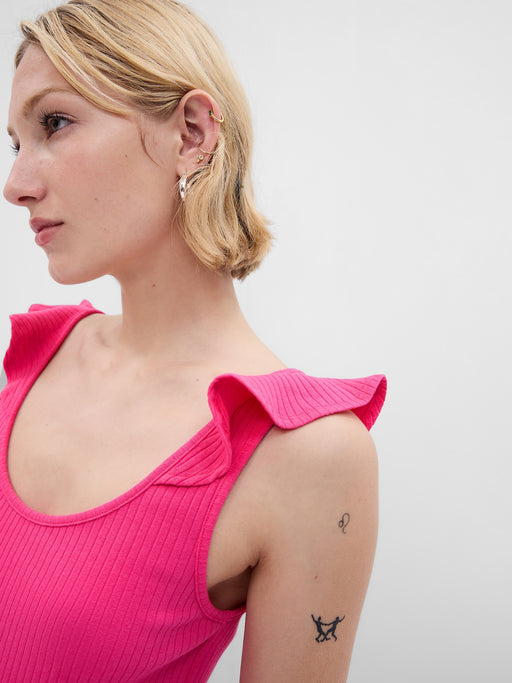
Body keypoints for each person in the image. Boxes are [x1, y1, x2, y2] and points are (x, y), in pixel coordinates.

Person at [0, 1, 386, 680]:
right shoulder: (35, 358)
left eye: (54, 123)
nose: (16, 186)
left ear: (191, 133)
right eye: (15, 143)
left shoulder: (305, 454)